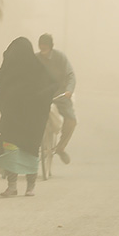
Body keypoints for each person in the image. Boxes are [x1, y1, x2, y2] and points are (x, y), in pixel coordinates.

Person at [0, 36, 55, 197]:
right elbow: (51, 86)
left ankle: (15, 186)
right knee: (29, 150)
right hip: (30, 121)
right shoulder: (38, 69)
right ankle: (26, 187)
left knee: (16, 149)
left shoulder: (10, 70)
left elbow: (3, 86)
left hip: (17, 119)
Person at [37, 33, 77, 164]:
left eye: (45, 47)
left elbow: (70, 75)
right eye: (41, 47)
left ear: (51, 47)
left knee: (71, 120)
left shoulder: (60, 58)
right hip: (40, 95)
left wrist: (69, 90)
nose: (43, 50)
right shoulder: (35, 58)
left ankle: (60, 148)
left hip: (59, 95)